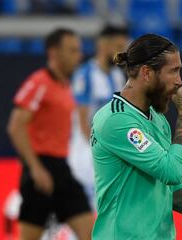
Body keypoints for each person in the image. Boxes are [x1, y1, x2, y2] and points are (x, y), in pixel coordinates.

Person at [90, 34, 182, 239]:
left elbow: (167, 182)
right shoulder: (116, 120)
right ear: (147, 73)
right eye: (174, 71)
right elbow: (171, 171)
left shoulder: (156, 118)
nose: (179, 81)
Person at [7, 28, 94, 240]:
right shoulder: (39, 82)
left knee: (91, 232)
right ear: (54, 53)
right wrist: (35, 167)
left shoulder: (65, 86)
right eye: (72, 51)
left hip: (61, 168)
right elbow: (15, 126)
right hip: (40, 170)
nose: (79, 56)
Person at [68, 25, 129, 210]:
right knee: (84, 211)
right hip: (86, 153)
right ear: (104, 45)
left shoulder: (118, 76)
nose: (122, 53)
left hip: (108, 150)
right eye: (119, 47)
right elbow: (83, 121)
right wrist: (98, 151)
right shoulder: (85, 75)